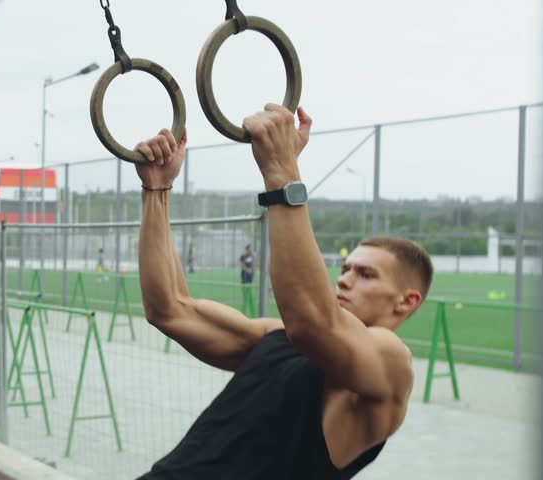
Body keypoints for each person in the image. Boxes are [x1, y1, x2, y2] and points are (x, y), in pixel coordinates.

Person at [132, 105, 432, 479]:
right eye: (345, 269)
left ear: (406, 300)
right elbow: (170, 310)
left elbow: (314, 325)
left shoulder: (389, 363)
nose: (344, 280)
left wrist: (282, 171)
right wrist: (157, 189)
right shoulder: (277, 338)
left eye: (366, 274)